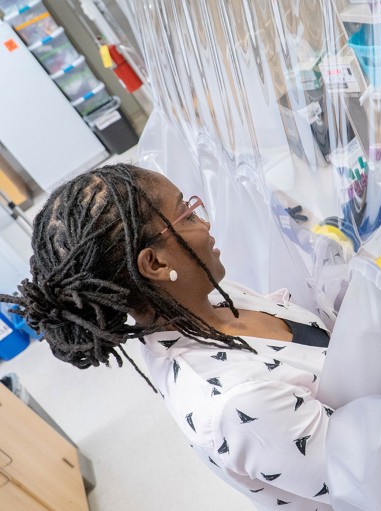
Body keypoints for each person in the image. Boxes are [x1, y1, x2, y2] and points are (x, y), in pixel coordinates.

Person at [1, 163, 335, 510]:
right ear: (156, 264)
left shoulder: (203, 299)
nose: (205, 224)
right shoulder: (235, 400)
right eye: (187, 214)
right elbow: (373, 477)